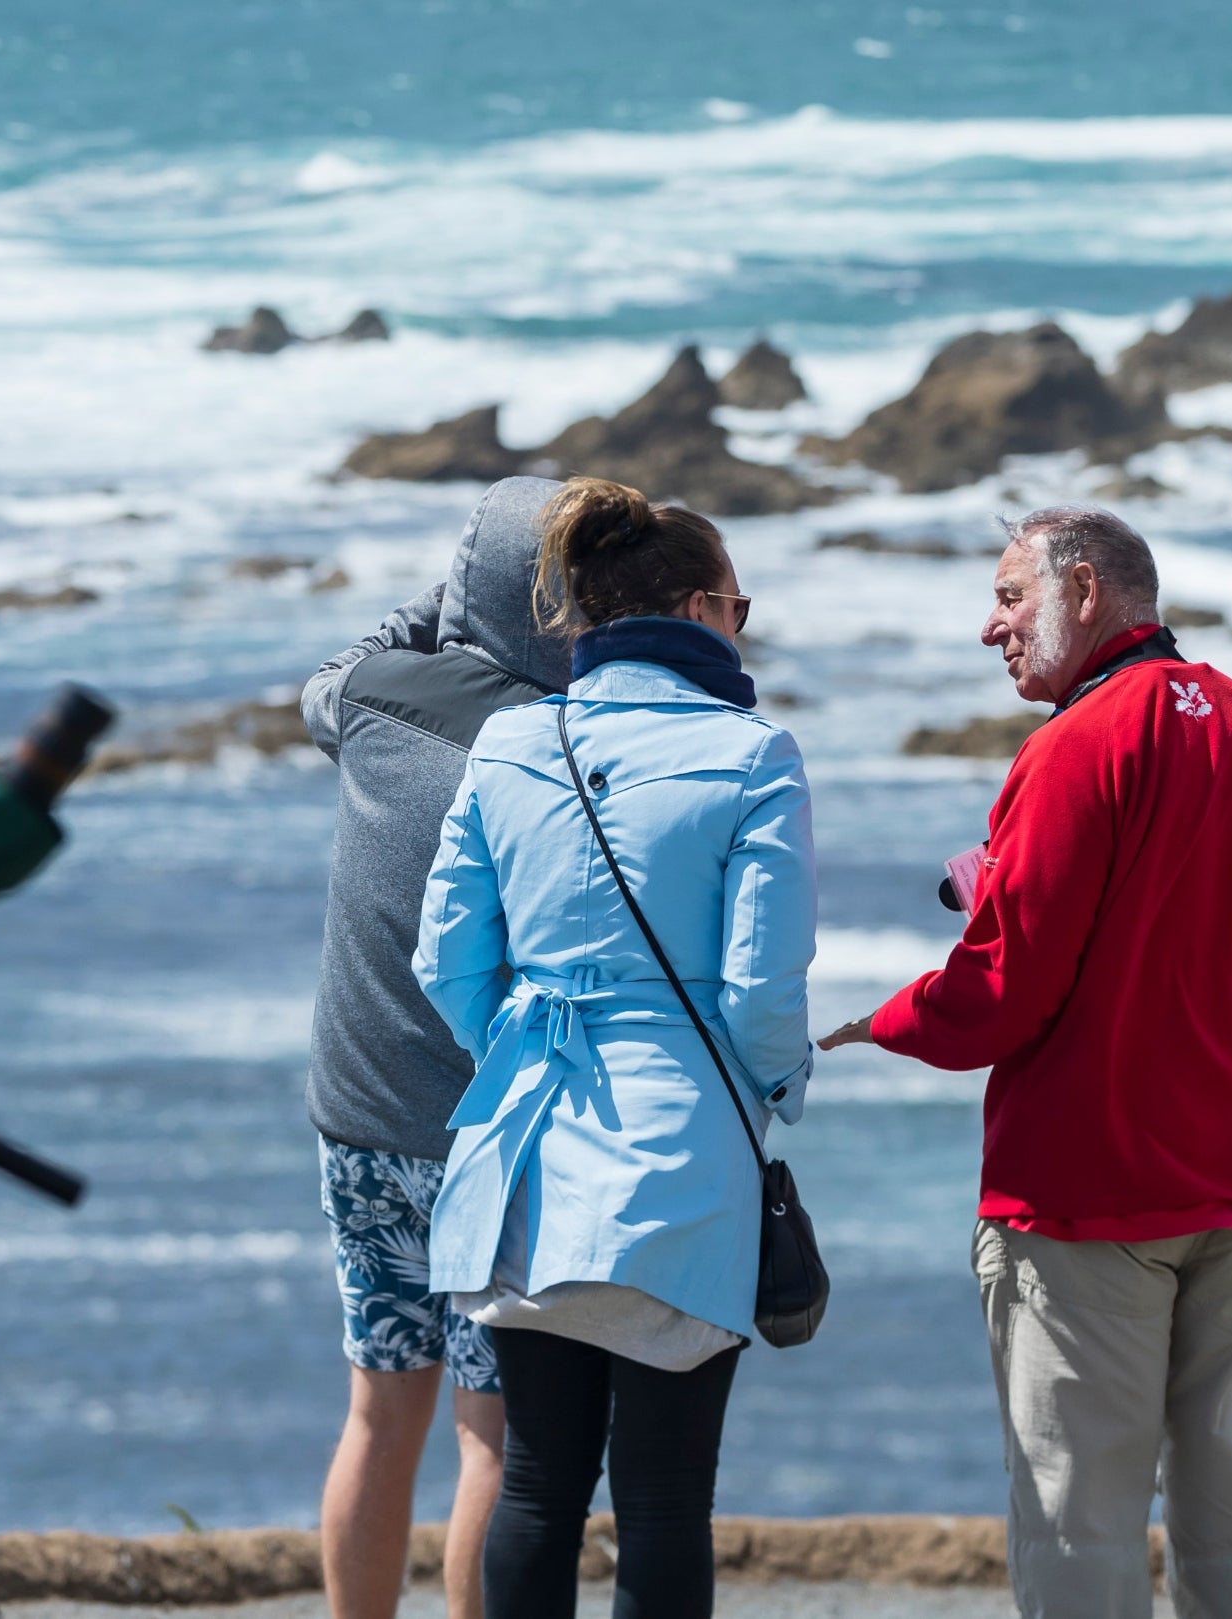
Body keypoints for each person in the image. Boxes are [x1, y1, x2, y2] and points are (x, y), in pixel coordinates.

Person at [821, 505, 1232, 1619]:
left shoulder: (1071, 750)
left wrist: (880, 1021)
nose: (992, 626)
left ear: (1085, 594)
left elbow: (999, 993)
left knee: (1078, 1508)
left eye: (1012, 596)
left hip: (1087, 1196)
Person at [413, 476, 817, 1619]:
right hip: (681, 1160)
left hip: (528, 1154)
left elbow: (447, 958)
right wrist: (782, 1088)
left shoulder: (511, 742)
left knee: (537, 1479)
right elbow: (760, 994)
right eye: (740, 603)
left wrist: (527, 1043)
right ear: (698, 609)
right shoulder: (754, 753)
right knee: (665, 1498)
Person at [300, 477, 576, 1619]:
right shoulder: (555, 745)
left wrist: (456, 590)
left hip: (358, 1114)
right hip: (486, 1135)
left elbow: (346, 661)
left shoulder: (368, 702)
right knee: (491, 1442)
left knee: (378, 1411)